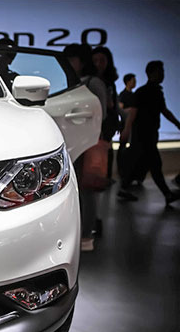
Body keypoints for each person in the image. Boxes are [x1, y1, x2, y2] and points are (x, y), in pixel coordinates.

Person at [64, 43, 107, 252]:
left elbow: (101, 113)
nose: (69, 63)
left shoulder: (93, 83)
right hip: (72, 142)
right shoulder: (71, 82)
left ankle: (87, 236)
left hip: (89, 143)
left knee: (87, 189)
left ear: (81, 61)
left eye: (72, 59)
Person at [119, 61, 180, 207]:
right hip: (144, 135)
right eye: (160, 71)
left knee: (143, 163)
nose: (163, 74)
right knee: (154, 164)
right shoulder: (146, 92)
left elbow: (162, 111)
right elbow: (133, 113)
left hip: (146, 134)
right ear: (152, 73)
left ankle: (124, 187)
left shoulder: (148, 92)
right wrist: (126, 130)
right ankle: (167, 194)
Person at [92, 47, 120, 181]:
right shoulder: (92, 81)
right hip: (97, 123)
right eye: (95, 60)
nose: (99, 64)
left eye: (102, 60)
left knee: (106, 151)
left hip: (108, 124)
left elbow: (113, 104)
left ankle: (105, 178)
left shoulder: (109, 82)